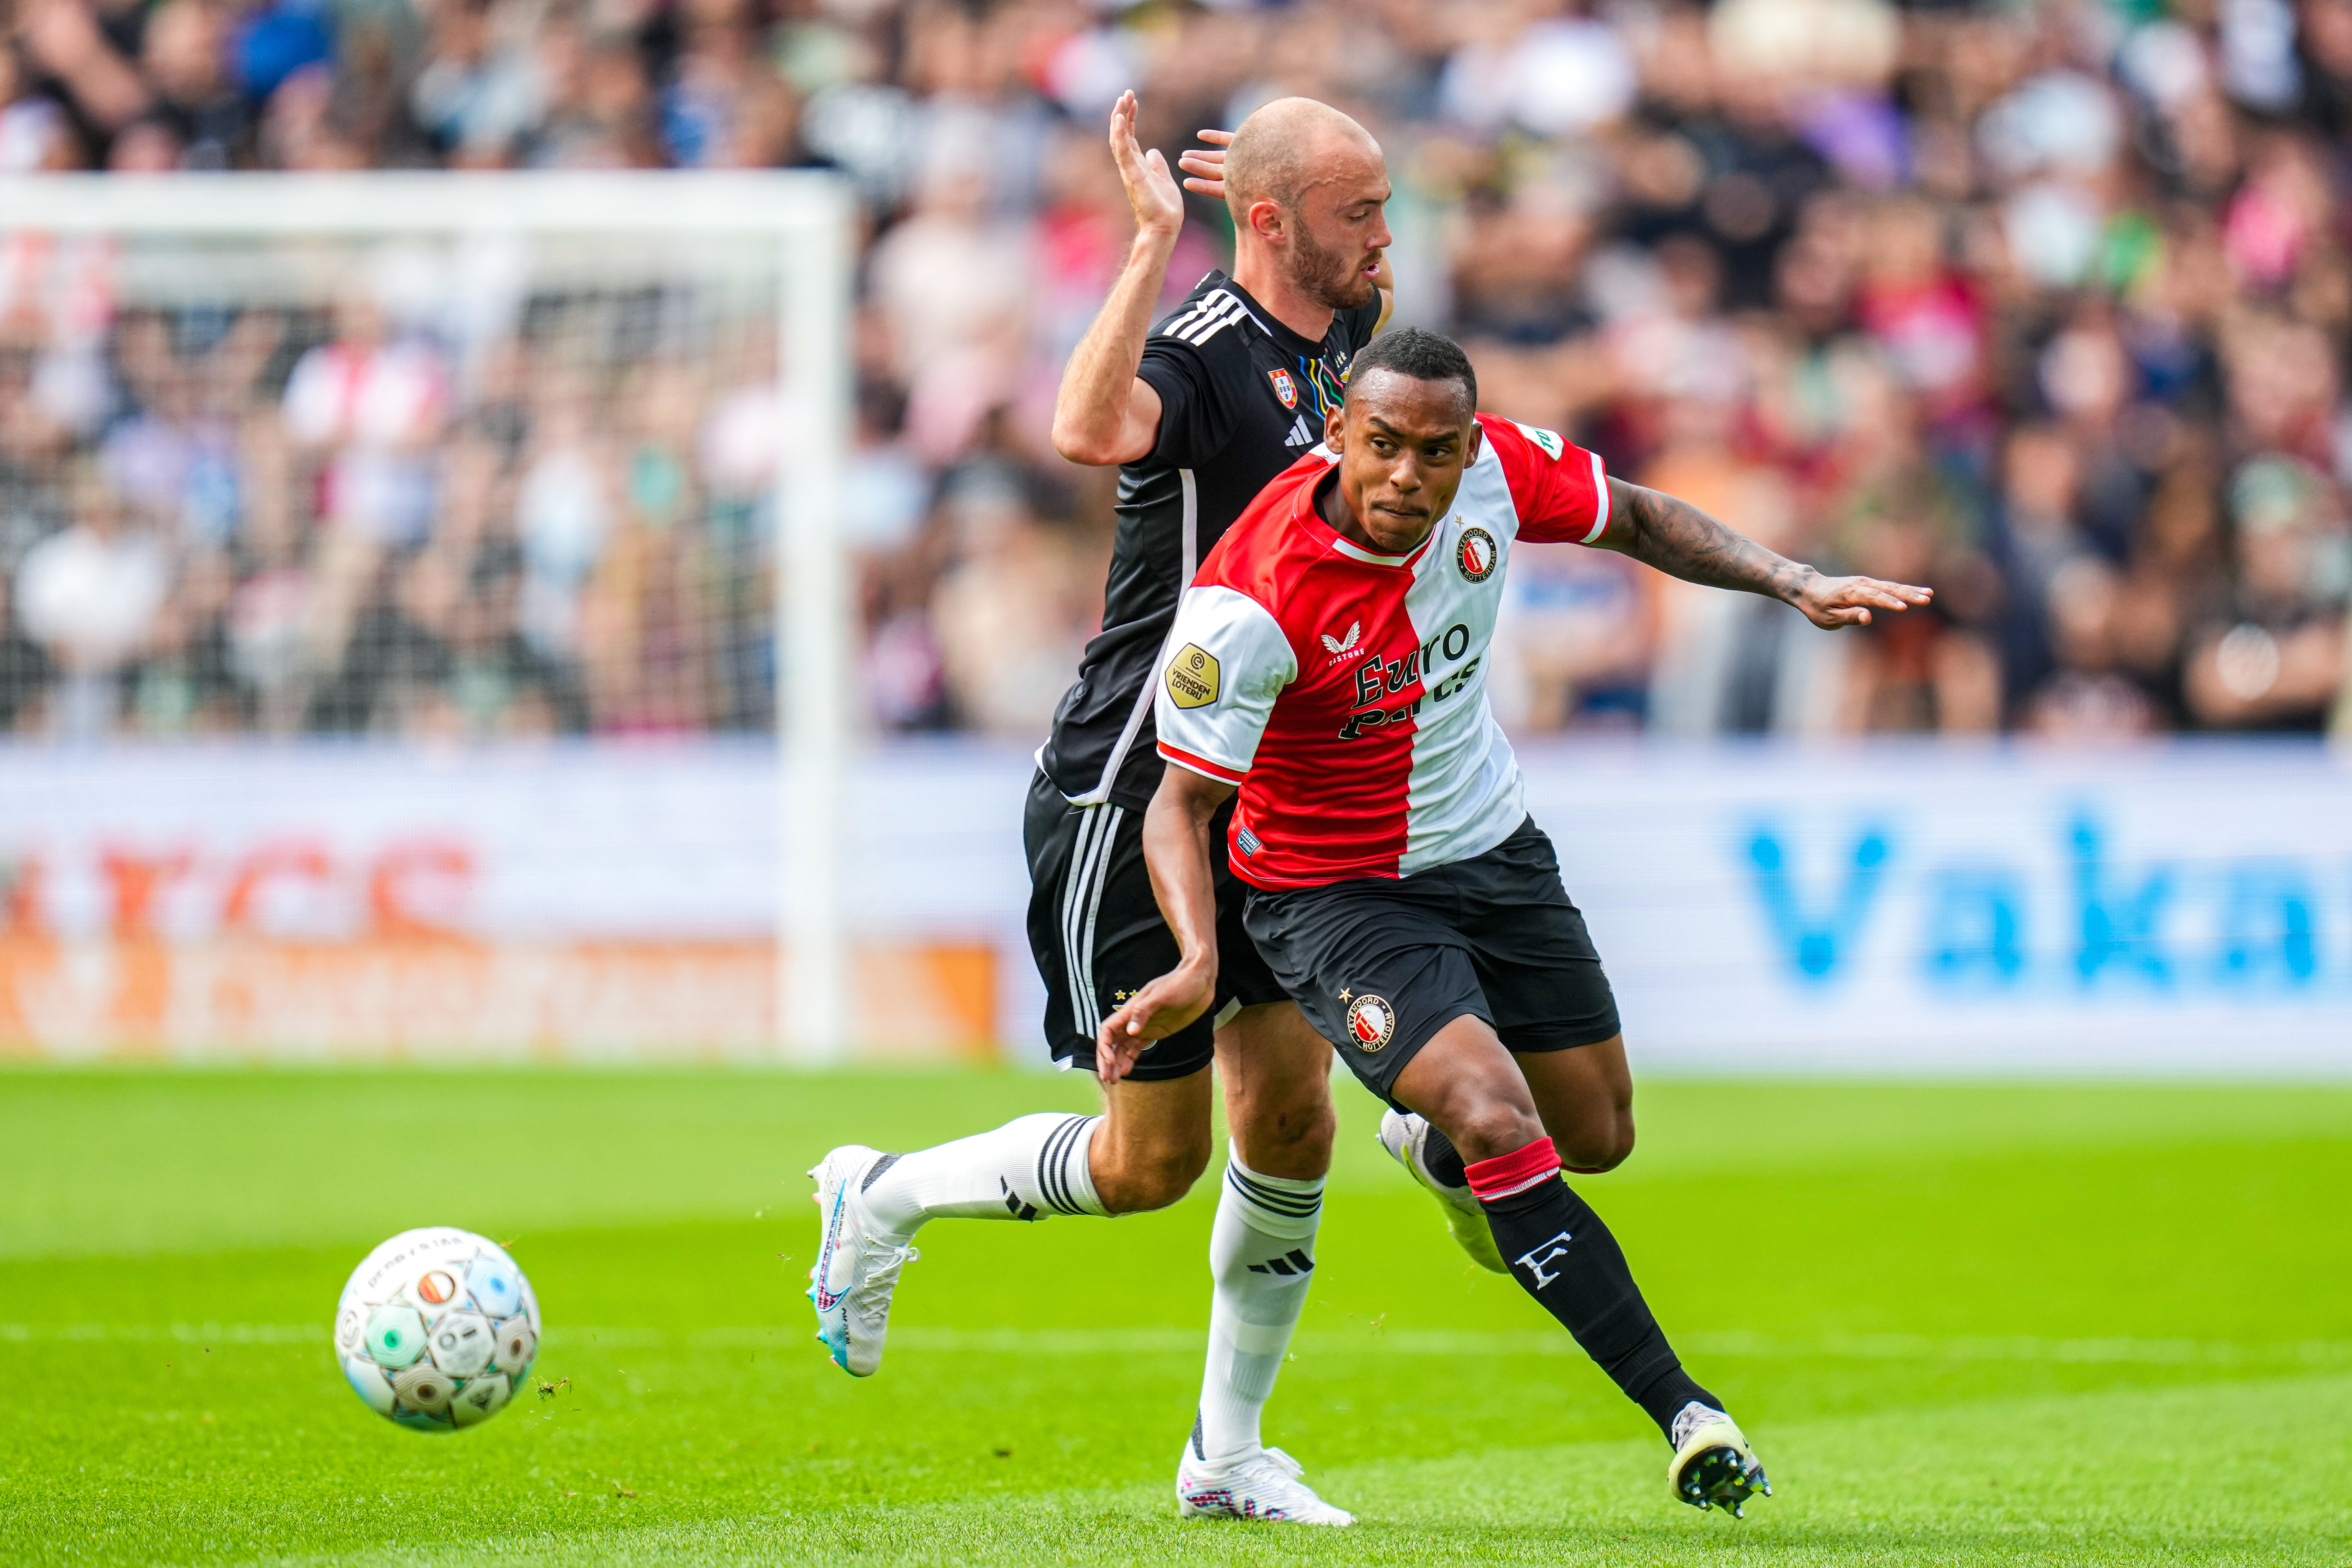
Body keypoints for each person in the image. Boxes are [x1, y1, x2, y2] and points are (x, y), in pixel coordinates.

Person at [1104, 325, 1932, 1516]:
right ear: (1339, 428)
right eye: (1383, 445)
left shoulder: (1499, 466)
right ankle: (1687, 1410)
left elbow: (1640, 516)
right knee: (1497, 1112)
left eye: (1434, 453)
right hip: (1332, 891)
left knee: (1595, 1135)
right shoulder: (1251, 598)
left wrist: (1790, 578)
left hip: (1493, 849)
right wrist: (1195, 957)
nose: (1408, 476)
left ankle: (1436, 1149)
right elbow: (1179, 809)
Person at [807, 92, 1394, 1525]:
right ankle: (882, 1192)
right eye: (1360, 209)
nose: (1386, 234)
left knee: (1294, 1116)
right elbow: (1081, 425)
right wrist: (1151, 242)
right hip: (1133, 791)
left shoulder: (1344, 344)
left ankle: (1228, 1452)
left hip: (1260, 788)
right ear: (1270, 224)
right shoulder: (1196, 350)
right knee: (1149, 1167)